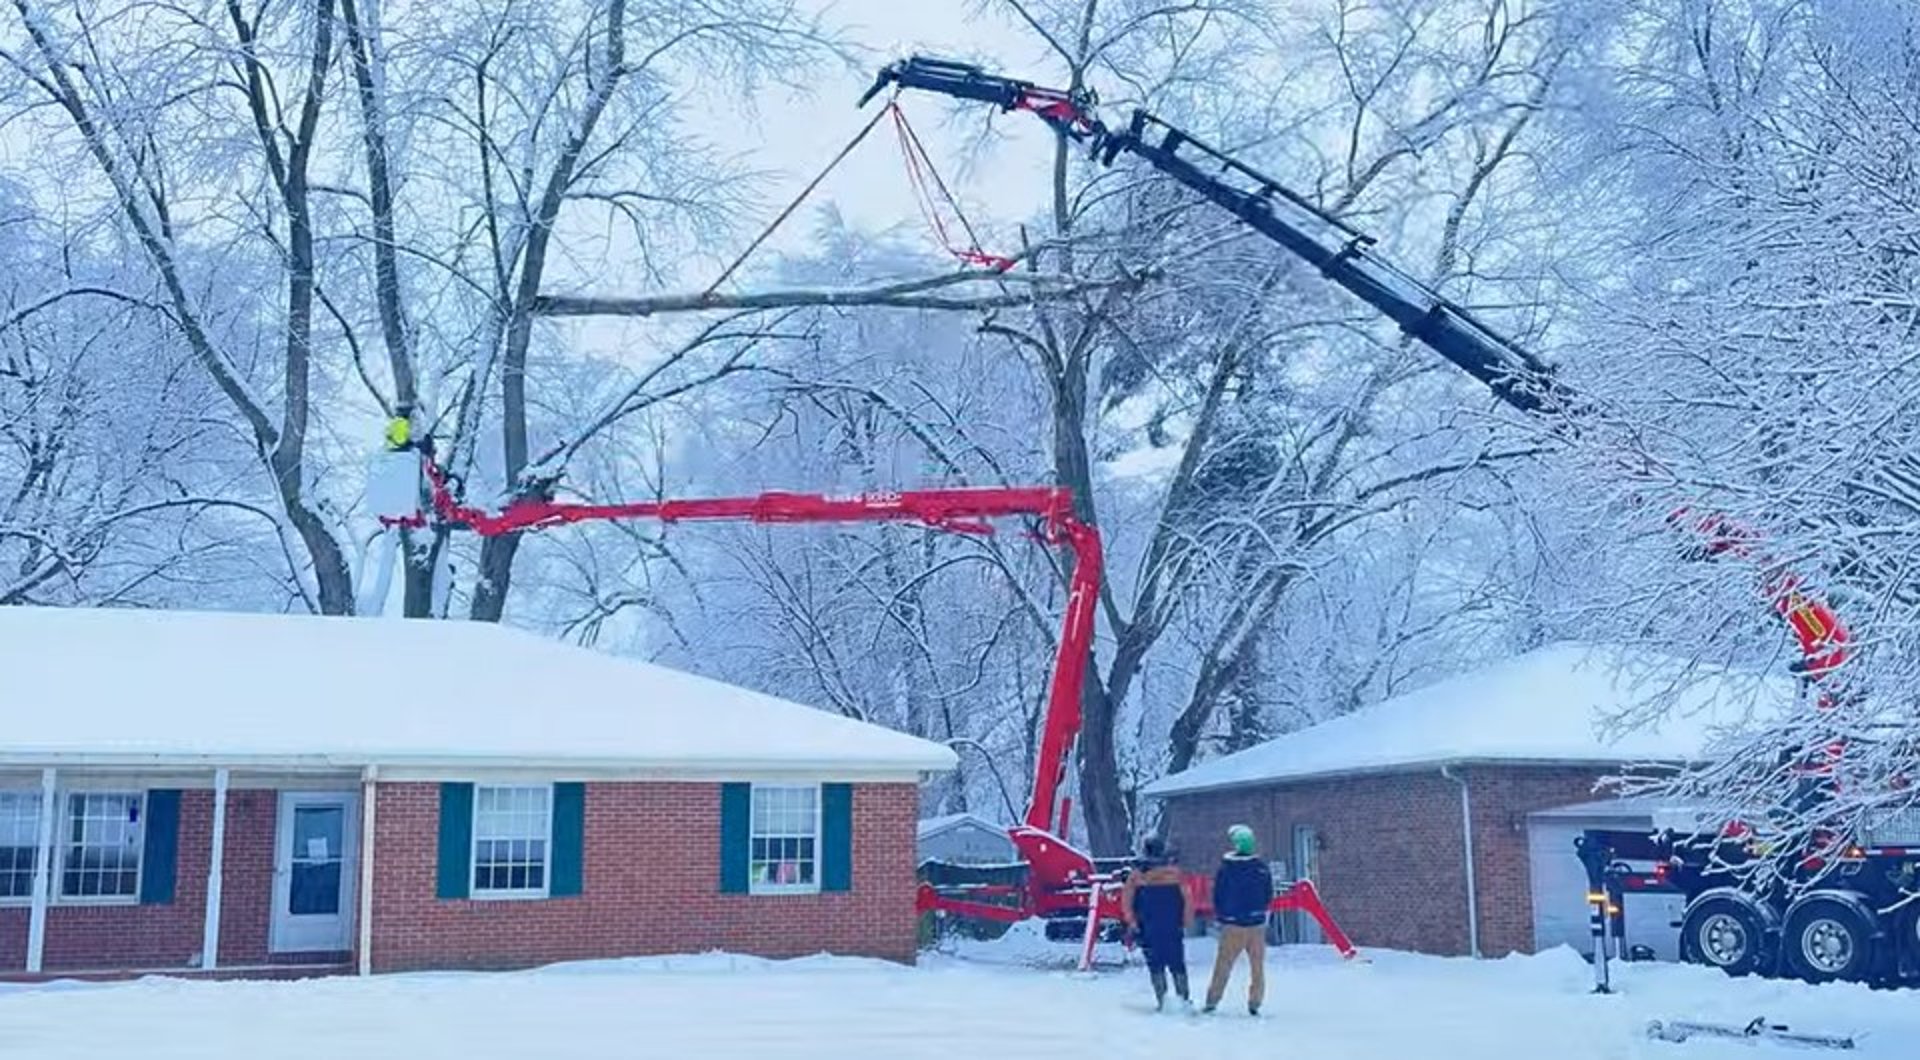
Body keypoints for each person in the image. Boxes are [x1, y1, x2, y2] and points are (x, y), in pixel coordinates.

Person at [1205, 823, 1273, 1015]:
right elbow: (1268, 895)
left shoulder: (1227, 869)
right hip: (1257, 925)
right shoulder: (1261, 869)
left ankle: (1212, 1001)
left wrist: (1223, 915)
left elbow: (1218, 894)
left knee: (1223, 965)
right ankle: (1255, 1003)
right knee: (1257, 967)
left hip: (1233, 924)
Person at [1122, 835, 1193, 1011]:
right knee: (1177, 962)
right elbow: (1188, 899)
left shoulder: (1136, 876)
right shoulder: (1175, 874)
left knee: (1155, 963)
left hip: (1148, 925)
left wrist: (1132, 922)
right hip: (1172, 925)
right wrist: (1185, 920)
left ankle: (1162, 1000)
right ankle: (1183, 998)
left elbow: (1127, 901)